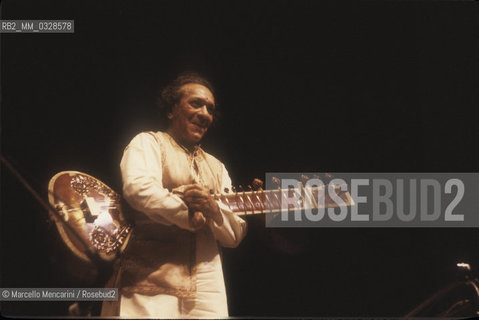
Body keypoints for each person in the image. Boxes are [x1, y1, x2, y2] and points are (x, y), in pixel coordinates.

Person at [101, 73, 247, 318]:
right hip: (151, 281)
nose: (204, 114)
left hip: (207, 289)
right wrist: (189, 214)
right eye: (195, 103)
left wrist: (213, 209)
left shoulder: (217, 167)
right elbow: (139, 190)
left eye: (210, 108)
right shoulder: (149, 143)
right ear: (171, 110)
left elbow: (234, 235)